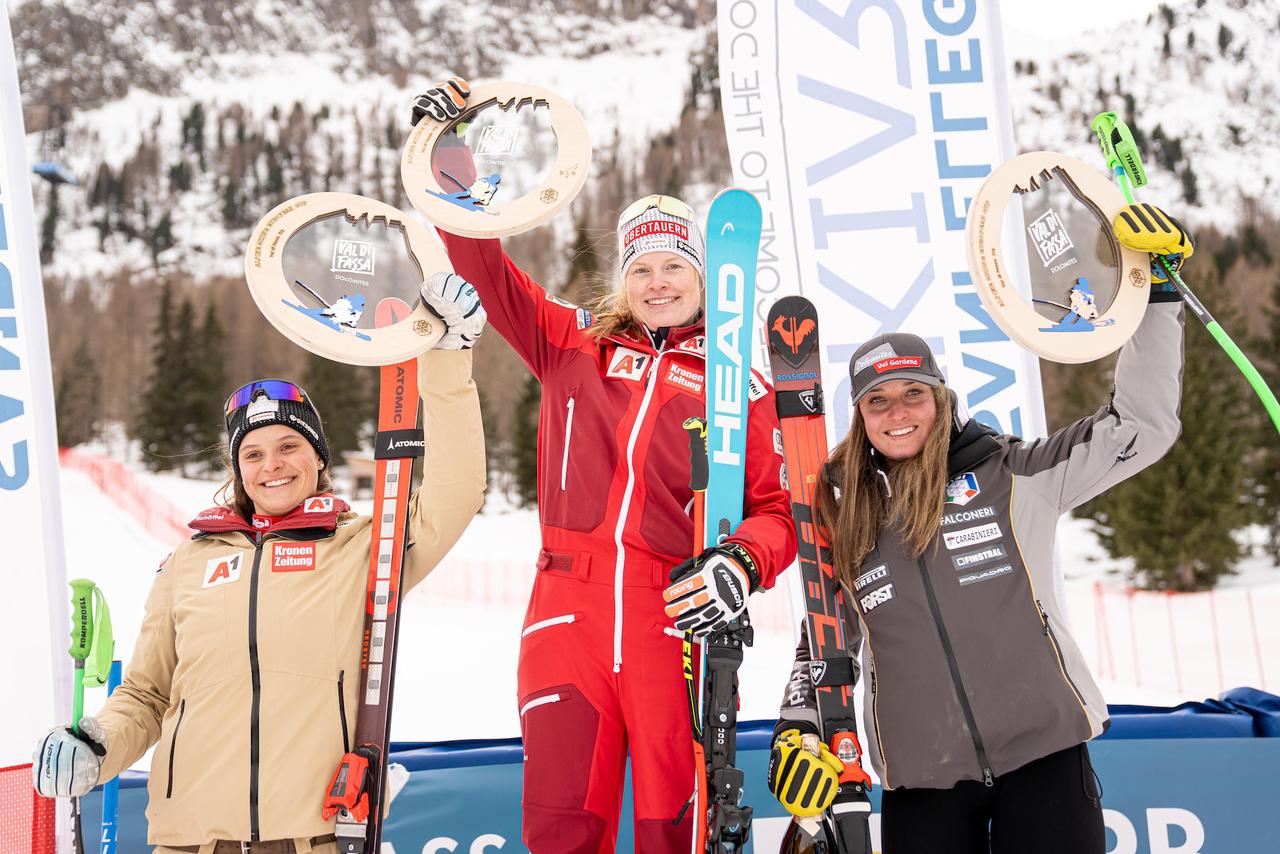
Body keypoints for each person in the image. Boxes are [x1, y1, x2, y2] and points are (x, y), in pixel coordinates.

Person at [411, 80, 797, 852]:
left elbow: (777, 513)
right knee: (562, 826)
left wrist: (741, 564)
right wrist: (443, 152)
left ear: (703, 277)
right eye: (643, 269)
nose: (658, 283)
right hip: (567, 612)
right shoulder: (573, 344)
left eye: (674, 268)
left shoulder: (740, 386)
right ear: (625, 279)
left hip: (674, 619)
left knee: (673, 832)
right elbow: (481, 264)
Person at [767, 204, 1191, 854]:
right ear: (860, 418)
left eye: (913, 394)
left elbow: (1141, 428)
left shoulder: (1015, 473)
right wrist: (797, 724)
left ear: (942, 399)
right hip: (923, 786)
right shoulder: (846, 515)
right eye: (876, 402)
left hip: (1044, 762)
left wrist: (1156, 297)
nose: (897, 413)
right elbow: (824, 637)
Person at [33, 273, 488, 853]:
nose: (272, 465)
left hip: (316, 837)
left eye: (289, 446)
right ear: (237, 468)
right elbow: (146, 695)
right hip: (192, 841)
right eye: (253, 453)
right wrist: (98, 744)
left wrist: (447, 366)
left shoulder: (359, 548)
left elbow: (457, 491)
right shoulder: (188, 563)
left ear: (318, 457)